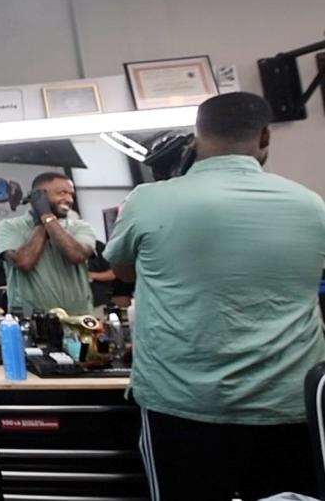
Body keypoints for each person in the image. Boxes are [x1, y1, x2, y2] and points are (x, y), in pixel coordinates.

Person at [103, 92, 325, 500]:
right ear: (264, 136)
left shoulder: (149, 201)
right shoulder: (313, 206)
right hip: (289, 404)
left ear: (196, 137)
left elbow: (122, 270)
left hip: (184, 403)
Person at [0, 172, 97, 316]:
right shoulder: (10, 227)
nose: (68, 199)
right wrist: (42, 220)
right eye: (62, 193)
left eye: (71, 194)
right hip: (31, 320)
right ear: (39, 196)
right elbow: (24, 261)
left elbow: (76, 255)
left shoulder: (81, 227)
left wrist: (47, 217)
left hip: (79, 320)